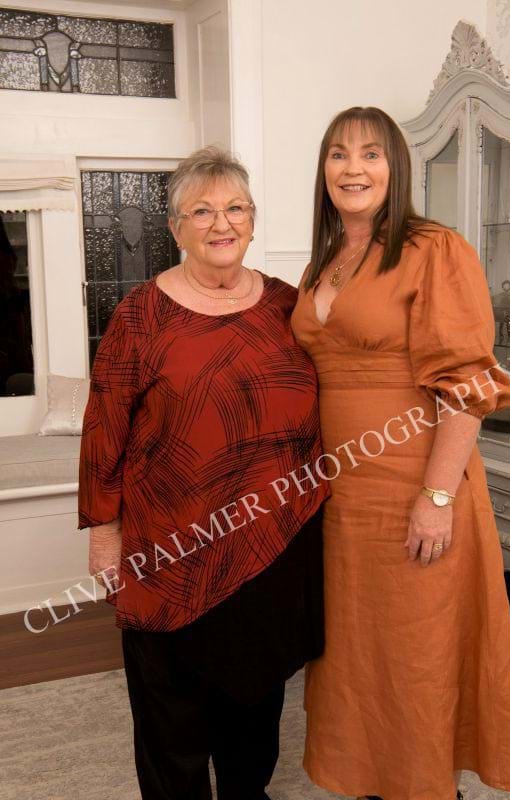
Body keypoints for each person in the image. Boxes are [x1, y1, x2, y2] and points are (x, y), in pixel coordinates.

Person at [78, 146, 328, 800]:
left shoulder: (288, 306)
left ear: (253, 220)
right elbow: (104, 428)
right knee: (171, 721)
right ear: (175, 227)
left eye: (236, 208)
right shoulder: (140, 315)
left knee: (255, 710)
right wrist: (104, 533)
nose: (223, 223)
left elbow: (344, 387)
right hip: (169, 551)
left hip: (270, 544)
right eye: (203, 211)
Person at [291, 106, 510, 800]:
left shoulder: (433, 248)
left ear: (397, 166)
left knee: (415, 656)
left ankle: (428, 788)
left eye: (370, 154)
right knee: (357, 657)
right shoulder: (325, 260)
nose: (353, 169)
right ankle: (373, 784)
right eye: (338, 154)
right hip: (342, 499)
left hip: (413, 488)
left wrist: (437, 496)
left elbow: (466, 386)